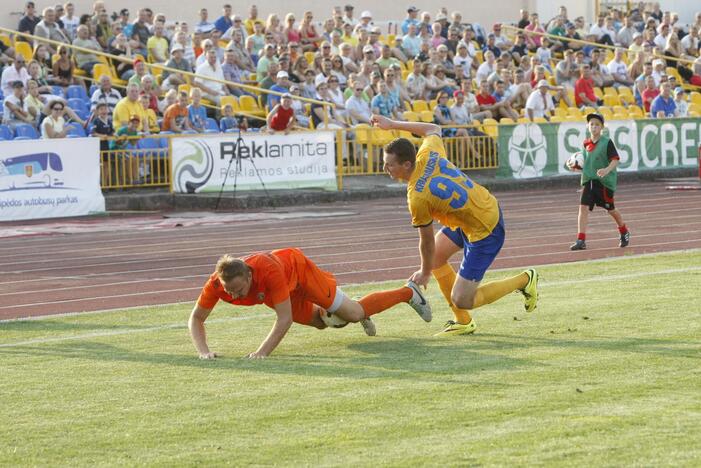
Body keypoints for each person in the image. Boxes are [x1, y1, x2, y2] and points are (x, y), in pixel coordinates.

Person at [371, 114, 539, 336]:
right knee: (438, 258)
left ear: (406, 164)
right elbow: (432, 128)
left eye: (389, 165)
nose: (386, 169)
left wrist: (424, 271)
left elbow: (427, 241)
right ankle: (463, 322)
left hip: (484, 227)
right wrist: (393, 125)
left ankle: (524, 280)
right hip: (474, 210)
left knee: (463, 298)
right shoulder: (428, 152)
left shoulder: (417, 197)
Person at [189, 248, 432, 358]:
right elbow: (196, 318)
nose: (235, 296)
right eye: (229, 291)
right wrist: (203, 352)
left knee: (355, 313)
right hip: (284, 291)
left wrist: (261, 353)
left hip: (301, 273)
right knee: (321, 323)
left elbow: (283, 320)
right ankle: (342, 310)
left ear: (250, 275)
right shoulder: (217, 284)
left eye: (239, 290)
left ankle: (408, 292)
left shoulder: (268, 271)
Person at [567, 113, 630, 251]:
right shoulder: (585, 143)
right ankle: (581, 239)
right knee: (582, 208)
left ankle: (624, 230)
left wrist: (607, 170)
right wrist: (575, 166)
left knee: (610, 209)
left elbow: (615, 160)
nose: (594, 127)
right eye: (592, 124)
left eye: (597, 124)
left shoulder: (606, 142)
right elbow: (586, 163)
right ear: (588, 126)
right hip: (589, 181)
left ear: (602, 127)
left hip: (604, 182)